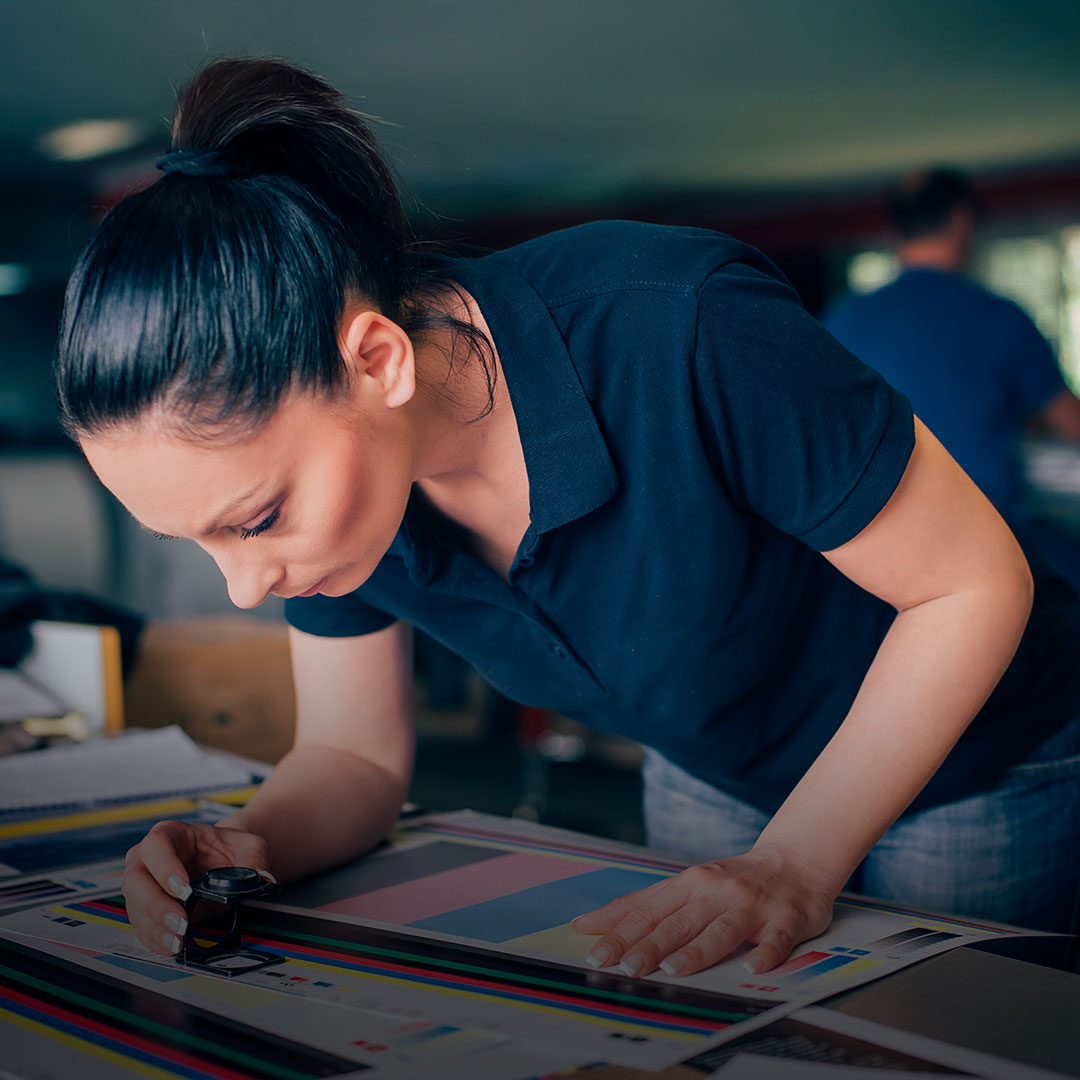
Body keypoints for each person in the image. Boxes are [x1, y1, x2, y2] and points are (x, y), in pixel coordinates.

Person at [56, 60, 1080, 981]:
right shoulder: (339, 508)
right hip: (714, 752)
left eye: (258, 517)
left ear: (378, 363)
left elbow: (971, 584)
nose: (248, 584)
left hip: (970, 755)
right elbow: (354, 756)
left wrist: (796, 861)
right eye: (196, 540)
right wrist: (254, 841)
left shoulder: (680, 325)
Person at [823, 168, 1080, 591]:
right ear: (962, 223)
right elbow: (1070, 424)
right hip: (991, 543)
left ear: (892, 232)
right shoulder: (1000, 318)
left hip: (875, 557)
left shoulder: (840, 322)